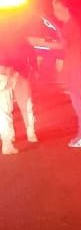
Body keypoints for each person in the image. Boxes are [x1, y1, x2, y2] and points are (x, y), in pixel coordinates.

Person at [51, 0, 81, 148]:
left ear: (65, 9)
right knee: (78, 102)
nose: (55, 13)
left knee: (78, 103)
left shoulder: (69, 26)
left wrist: (43, 43)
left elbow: (62, 45)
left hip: (76, 69)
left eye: (57, 9)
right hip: (76, 68)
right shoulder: (72, 24)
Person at [0, 23, 37, 154]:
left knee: (5, 109)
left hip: (8, 73)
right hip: (13, 73)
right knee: (24, 105)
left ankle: (9, 139)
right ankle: (26, 134)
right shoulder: (20, 38)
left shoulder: (7, 38)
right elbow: (30, 55)